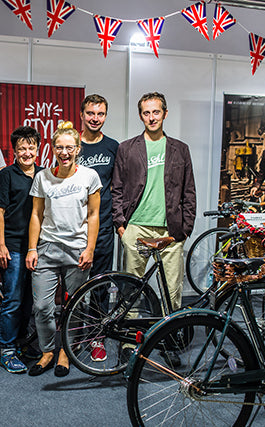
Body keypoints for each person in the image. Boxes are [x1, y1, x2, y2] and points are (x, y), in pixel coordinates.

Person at [111, 92, 196, 356]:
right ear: (140, 116)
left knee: (172, 292)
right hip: (136, 227)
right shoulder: (127, 148)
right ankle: (128, 340)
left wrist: (185, 230)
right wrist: (121, 225)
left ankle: (170, 341)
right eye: (146, 113)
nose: (151, 117)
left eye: (156, 112)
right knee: (132, 289)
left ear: (165, 114)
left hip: (170, 232)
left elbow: (189, 191)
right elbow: (117, 188)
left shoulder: (180, 149)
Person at [25, 121, 101, 377]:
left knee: (76, 307)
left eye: (70, 147)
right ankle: (47, 351)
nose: (64, 152)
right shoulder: (42, 177)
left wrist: (90, 248)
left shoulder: (89, 176)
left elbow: (93, 215)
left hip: (77, 250)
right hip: (47, 248)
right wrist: (31, 249)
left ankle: (65, 352)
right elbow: (36, 215)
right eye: (60, 147)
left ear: (78, 148)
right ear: (53, 148)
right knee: (42, 307)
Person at [0, 126, 44, 374]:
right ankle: (7, 350)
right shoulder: (7, 175)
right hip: (12, 246)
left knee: (28, 301)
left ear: (38, 148)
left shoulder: (45, 175)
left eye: (31, 147)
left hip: (37, 247)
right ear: (14, 150)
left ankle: (22, 344)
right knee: (12, 299)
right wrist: (0, 245)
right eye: (21, 148)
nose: (27, 152)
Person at [77, 94, 119, 363]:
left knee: (100, 287)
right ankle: (73, 332)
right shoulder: (70, 144)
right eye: (91, 113)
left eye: (100, 114)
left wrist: (119, 222)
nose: (95, 118)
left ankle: (97, 336)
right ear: (82, 114)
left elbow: (120, 187)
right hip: (73, 230)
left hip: (103, 228)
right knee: (73, 286)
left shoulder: (113, 147)